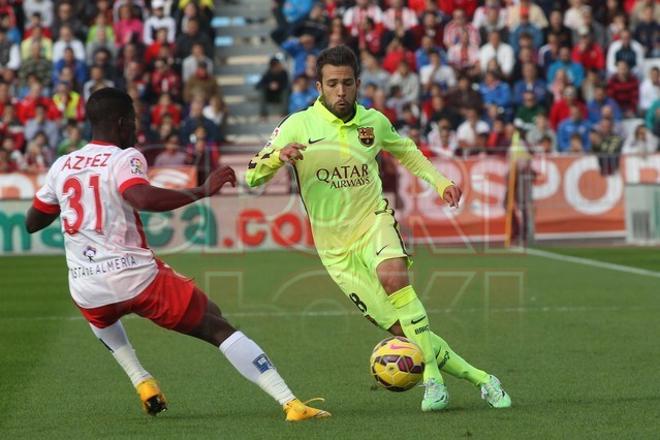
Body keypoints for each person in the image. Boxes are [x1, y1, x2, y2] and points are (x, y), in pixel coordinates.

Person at [25, 88, 329, 422]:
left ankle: (142, 381)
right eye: (134, 121)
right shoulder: (125, 157)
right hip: (134, 277)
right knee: (218, 328)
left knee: (107, 313)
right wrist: (201, 190)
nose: (137, 129)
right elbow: (141, 198)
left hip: (87, 286)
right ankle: (291, 403)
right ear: (122, 122)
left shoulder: (62, 165)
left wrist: (69, 204)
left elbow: (33, 222)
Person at [245, 45, 511, 412]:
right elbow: (251, 174)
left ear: (358, 84)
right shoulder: (298, 125)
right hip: (336, 252)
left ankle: (432, 379)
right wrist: (279, 156)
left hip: (373, 221)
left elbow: (407, 151)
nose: (341, 91)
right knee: (407, 333)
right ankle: (483, 379)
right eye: (333, 84)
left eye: (347, 83)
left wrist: (441, 183)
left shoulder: (374, 122)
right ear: (319, 87)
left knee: (394, 276)